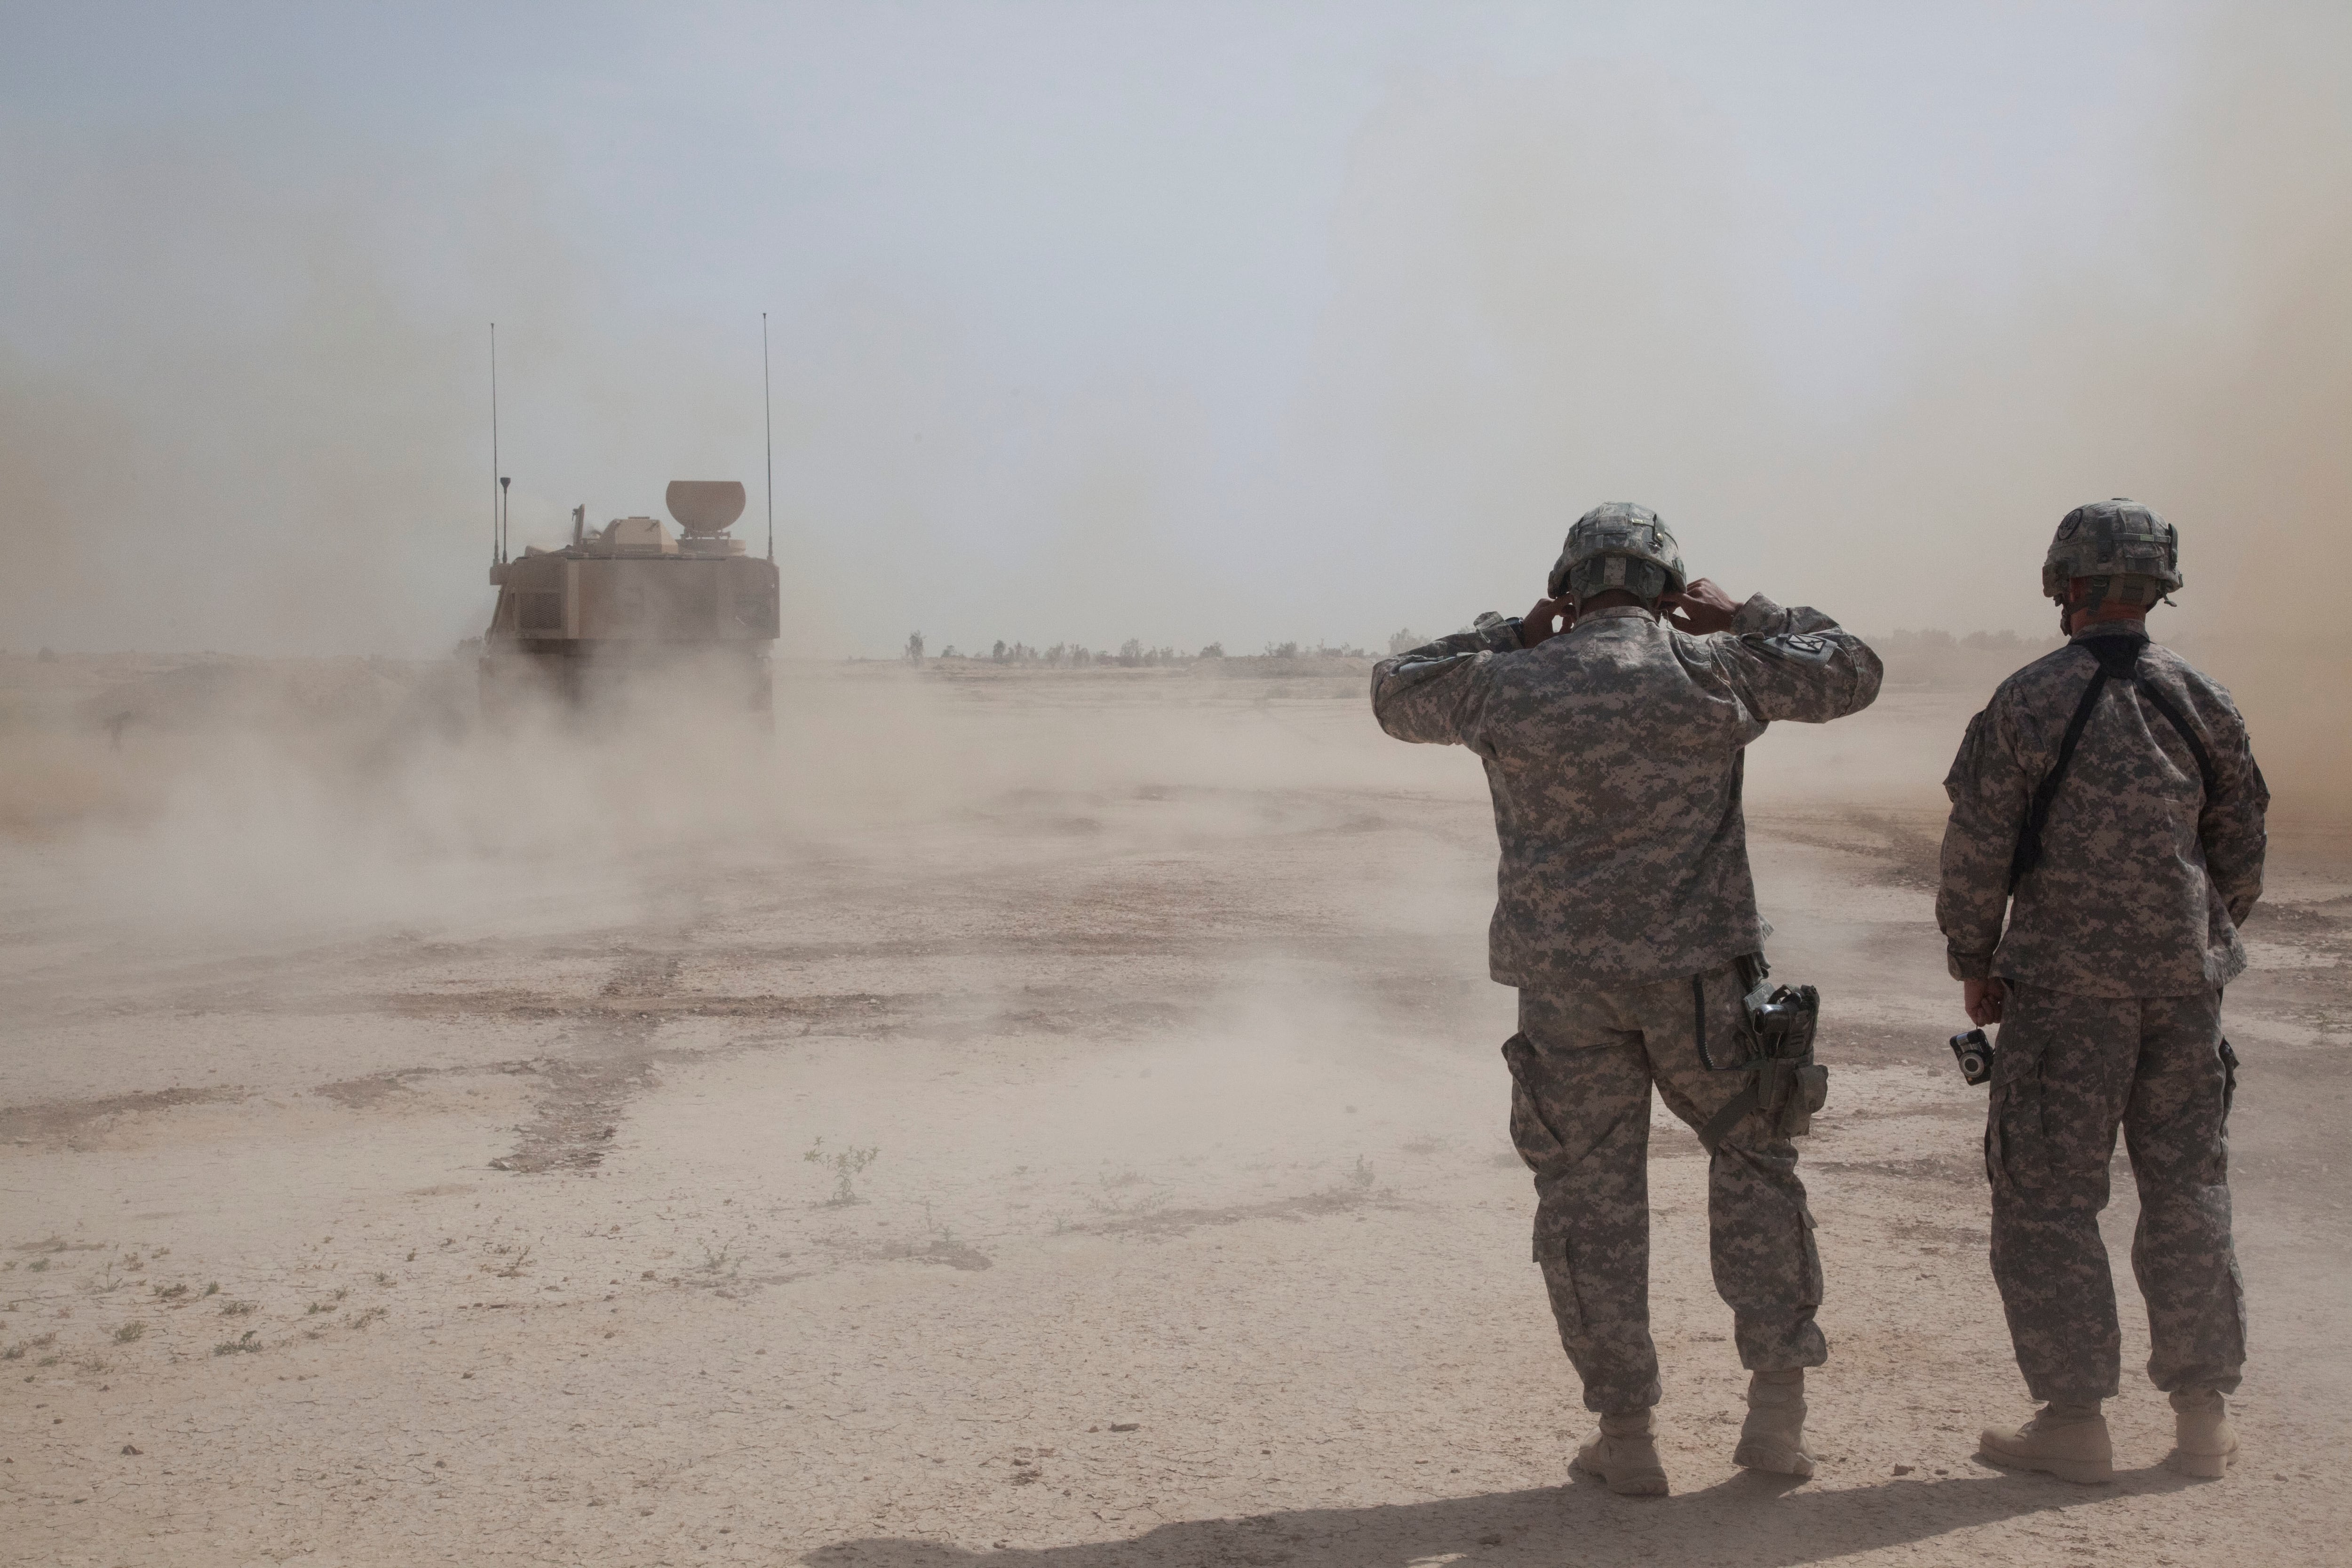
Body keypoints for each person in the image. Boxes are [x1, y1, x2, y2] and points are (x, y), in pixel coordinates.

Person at [1370, 503, 1883, 1495]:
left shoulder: (1505, 682)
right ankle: (1775, 1416)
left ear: (1567, 588)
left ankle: (1627, 1430)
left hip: (1564, 990)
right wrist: (1743, 614)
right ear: (1666, 590)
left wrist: (1508, 632)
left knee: (1589, 1201)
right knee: (1751, 1164)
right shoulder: (1714, 669)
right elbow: (1851, 666)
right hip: (1700, 981)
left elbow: (1394, 693)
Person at [1938, 499, 2266, 1484]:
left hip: (2063, 998)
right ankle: (2202, 1419)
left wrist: (1974, 960)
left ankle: (2074, 1420)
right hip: (2183, 990)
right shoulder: (2202, 698)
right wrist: (2198, 941)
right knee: (2188, 1187)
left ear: (2065, 585)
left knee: (2045, 1197)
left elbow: (1977, 849)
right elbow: (2239, 849)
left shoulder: (2027, 701)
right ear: (2155, 587)